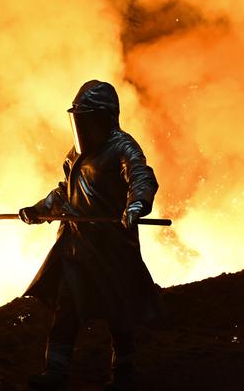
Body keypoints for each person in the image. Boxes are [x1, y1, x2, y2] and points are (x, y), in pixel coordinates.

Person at [19, 80, 161, 390]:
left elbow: (141, 176)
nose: (81, 124)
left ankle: (124, 373)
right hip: (76, 246)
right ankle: (55, 373)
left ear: (105, 117)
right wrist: (38, 210)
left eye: (87, 117)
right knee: (65, 310)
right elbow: (64, 191)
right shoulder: (77, 152)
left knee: (118, 311)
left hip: (110, 249)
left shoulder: (123, 147)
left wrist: (137, 204)